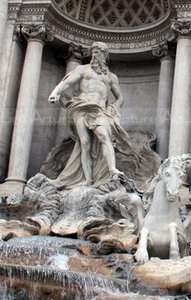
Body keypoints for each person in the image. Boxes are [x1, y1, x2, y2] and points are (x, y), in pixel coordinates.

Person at [48, 41, 135, 189]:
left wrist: (113, 108)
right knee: (85, 143)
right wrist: (55, 93)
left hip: (100, 110)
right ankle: (87, 179)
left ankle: (112, 169)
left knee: (104, 136)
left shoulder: (111, 77)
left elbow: (120, 97)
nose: (96, 55)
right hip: (82, 107)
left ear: (105, 56)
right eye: (94, 52)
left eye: (99, 52)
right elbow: (67, 82)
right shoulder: (82, 70)